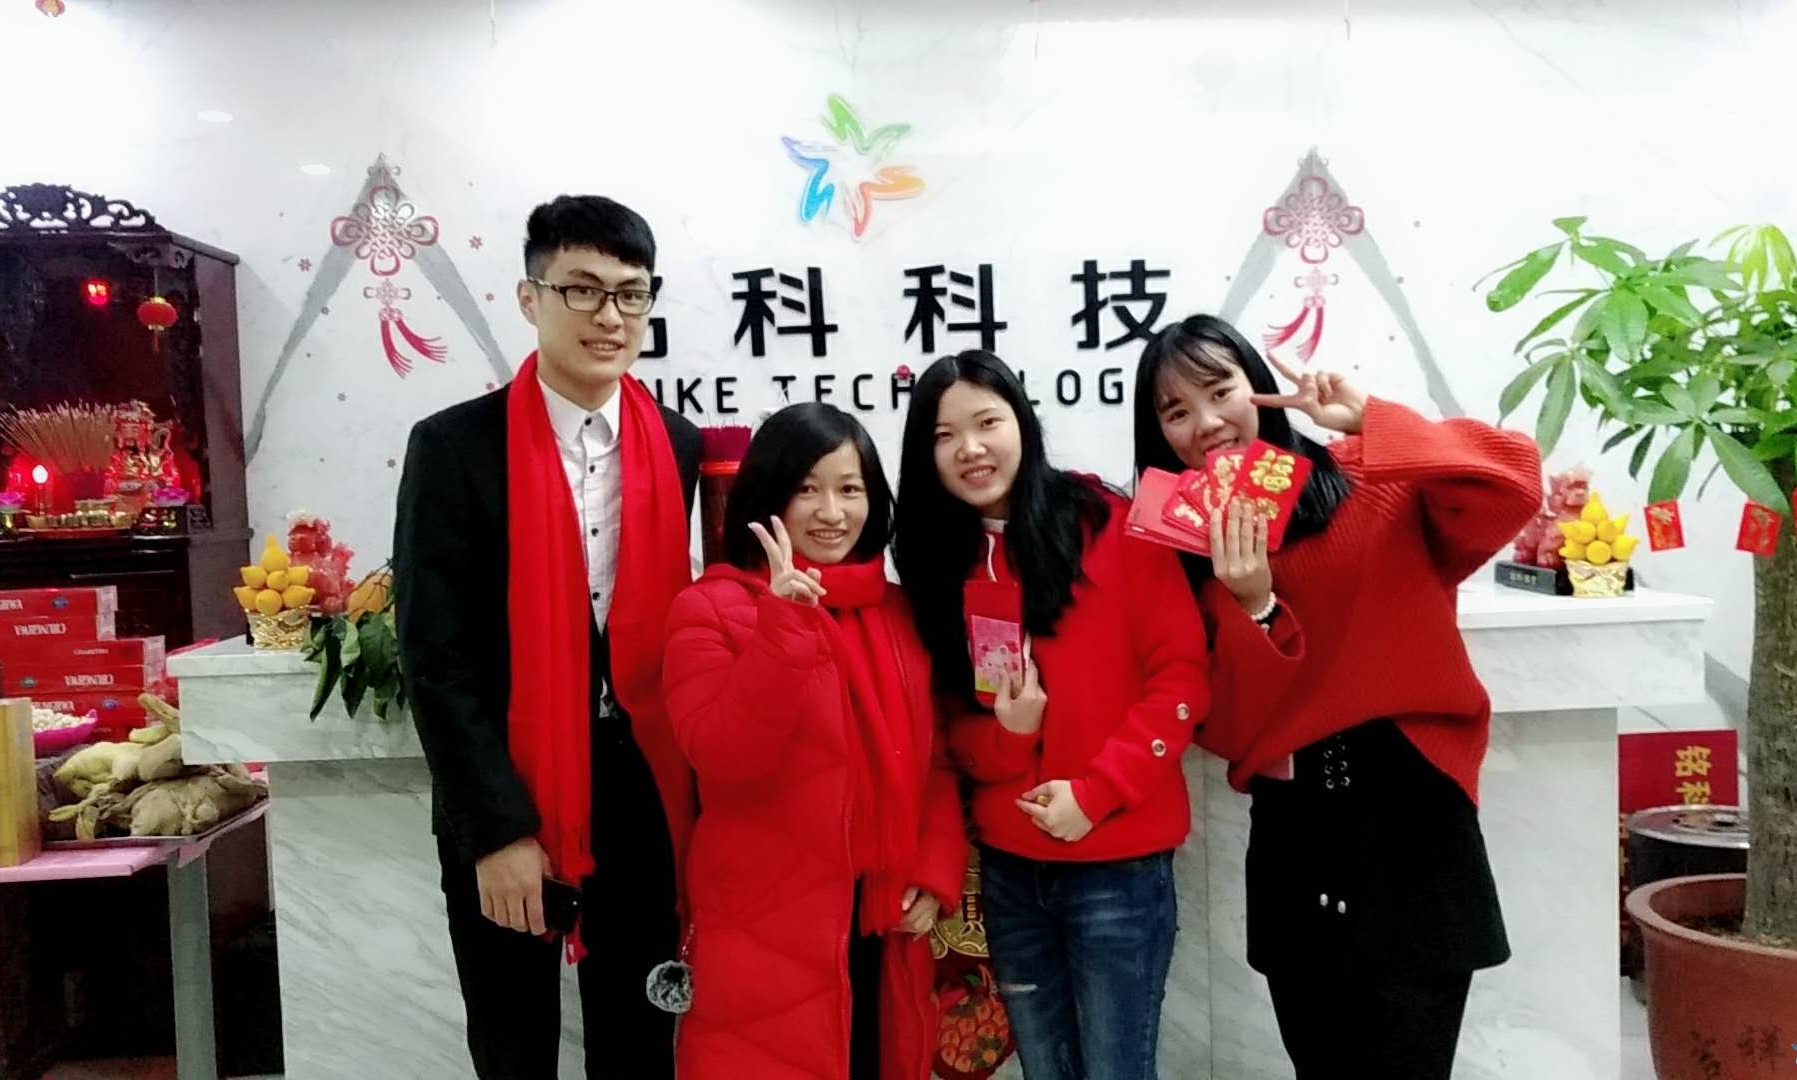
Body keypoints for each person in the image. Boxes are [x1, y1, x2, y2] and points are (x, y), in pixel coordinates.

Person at [1130, 314, 1543, 1080]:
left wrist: (1372, 421)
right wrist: (1253, 605)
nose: (1205, 422)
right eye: (1175, 411)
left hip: (1413, 814)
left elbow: (1514, 482)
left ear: (1260, 386)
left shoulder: (1366, 479)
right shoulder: (1183, 549)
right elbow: (1222, 726)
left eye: (1219, 390)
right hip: (1295, 830)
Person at [393, 194, 701, 1078]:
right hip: (511, 783)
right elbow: (436, 658)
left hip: (642, 790)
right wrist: (497, 831)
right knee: (514, 1042)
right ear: (530, 299)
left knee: (639, 1044)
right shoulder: (454, 447)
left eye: (631, 293)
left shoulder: (676, 445)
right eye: (582, 289)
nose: (610, 316)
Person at [891, 350, 1209, 1080]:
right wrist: (1010, 739)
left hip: (1118, 867)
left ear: (1022, 423)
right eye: (944, 436)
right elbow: (949, 729)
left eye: (987, 422)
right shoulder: (939, 564)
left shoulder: (1114, 523)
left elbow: (1183, 677)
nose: (970, 448)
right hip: (1010, 873)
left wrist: (1096, 794)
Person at [661, 402, 967, 1079]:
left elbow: (934, 763)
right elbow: (724, 757)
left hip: (881, 925)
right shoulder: (709, 608)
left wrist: (932, 871)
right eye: (807, 489)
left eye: (849, 488)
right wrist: (782, 626)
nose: (832, 512)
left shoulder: (896, 611)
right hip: (766, 933)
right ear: (769, 495)